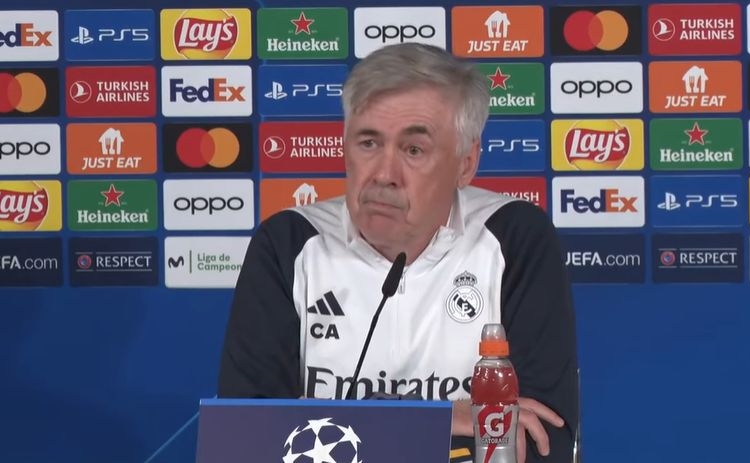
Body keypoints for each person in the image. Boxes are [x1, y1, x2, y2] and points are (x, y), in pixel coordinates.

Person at [218, 42, 578, 463]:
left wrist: (332, 425)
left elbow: (541, 443)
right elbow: (246, 440)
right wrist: (443, 419)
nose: (384, 175)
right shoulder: (288, 243)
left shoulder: (515, 239)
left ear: (465, 163)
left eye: (413, 150)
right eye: (369, 143)